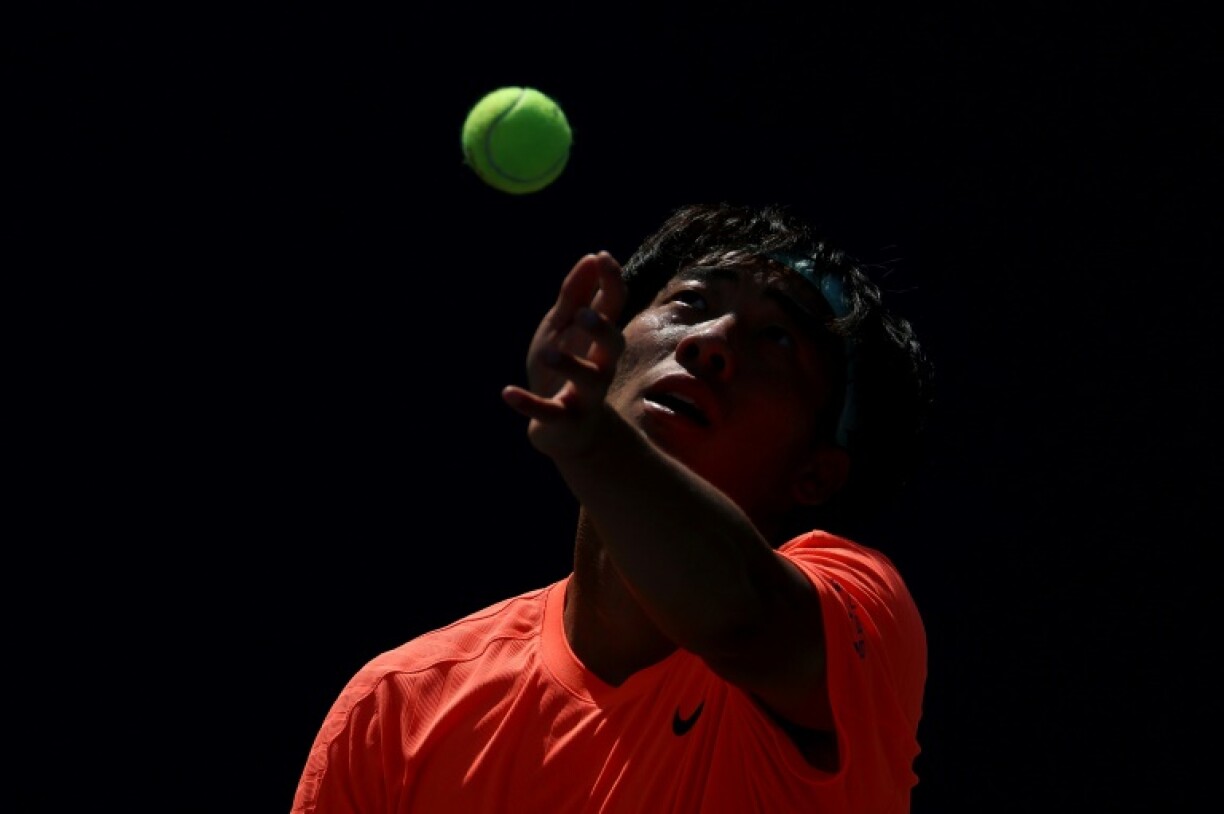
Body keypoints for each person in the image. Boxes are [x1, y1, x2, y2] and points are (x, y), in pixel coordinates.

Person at [290, 201, 935, 813]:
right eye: (689, 303)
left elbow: (742, 620)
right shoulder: (397, 708)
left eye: (777, 339)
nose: (710, 342)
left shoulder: (863, 612)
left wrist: (594, 441)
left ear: (816, 474)